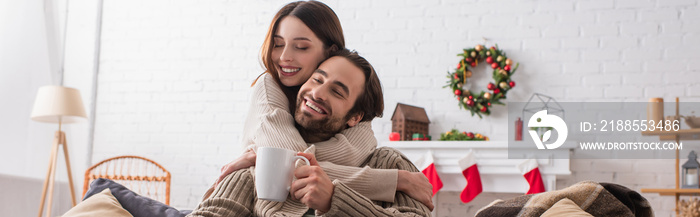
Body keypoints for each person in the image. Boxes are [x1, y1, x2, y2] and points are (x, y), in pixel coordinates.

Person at [208, 0, 433, 209]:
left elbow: (350, 155)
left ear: (330, 52)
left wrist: (267, 157)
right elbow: (294, 166)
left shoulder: (352, 103)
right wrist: (394, 180)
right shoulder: (269, 87)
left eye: (301, 47)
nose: (284, 57)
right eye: (278, 44)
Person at [188, 50, 431, 217]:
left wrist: (336, 200)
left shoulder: (389, 163)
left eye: (337, 92)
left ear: (355, 117)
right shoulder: (259, 160)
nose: (317, 93)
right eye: (317, 79)